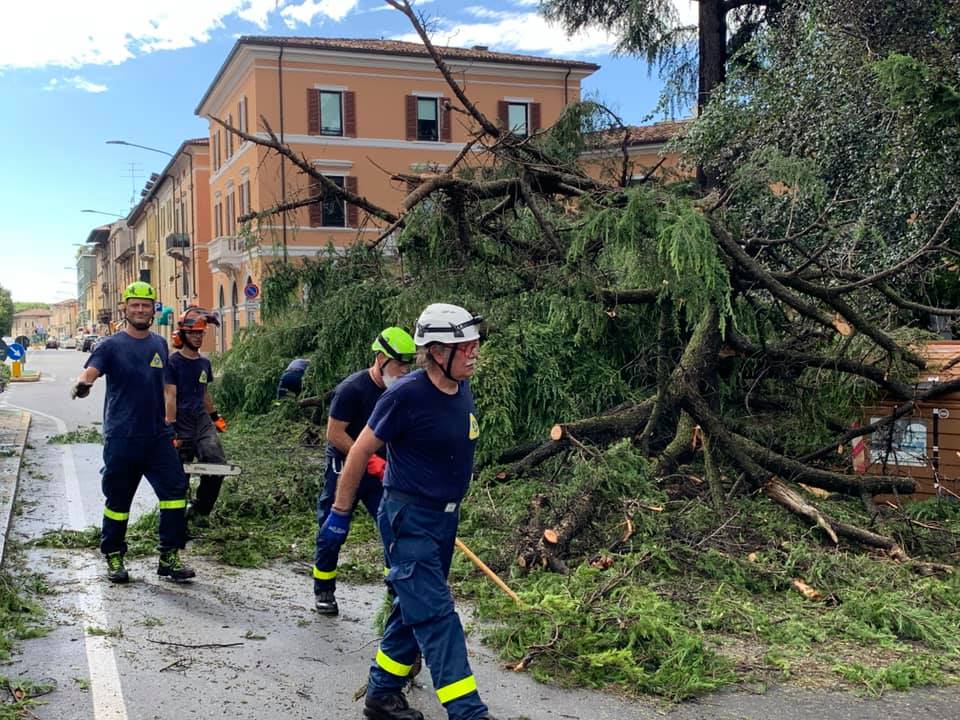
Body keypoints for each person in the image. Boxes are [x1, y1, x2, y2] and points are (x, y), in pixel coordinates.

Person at [324, 303, 497, 720]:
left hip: (442, 520)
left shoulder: (461, 386)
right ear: (438, 352)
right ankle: (468, 712)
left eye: (475, 344)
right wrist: (339, 512)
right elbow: (359, 451)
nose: (474, 352)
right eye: (465, 345)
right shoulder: (405, 394)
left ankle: (381, 695)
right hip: (409, 519)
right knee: (437, 615)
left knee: (411, 607)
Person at [71, 281, 195, 584]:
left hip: (157, 437)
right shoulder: (110, 345)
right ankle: (114, 557)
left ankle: (168, 557)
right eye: (134, 304)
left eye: (146, 304)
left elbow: (167, 387)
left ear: (154, 309)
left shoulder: (159, 344)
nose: (140, 310)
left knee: (175, 494)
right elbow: (91, 372)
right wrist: (82, 385)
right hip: (122, 437)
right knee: (118, 500)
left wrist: (172, 422)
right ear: (125, 308)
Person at [313, 326, 417, 616]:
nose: (404, 370)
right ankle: (324, 588)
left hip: (381, 474)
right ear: (381, 358)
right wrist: (367, 458)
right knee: (333, 529)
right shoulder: (352, 389)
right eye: (399, 364)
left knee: (391, 527)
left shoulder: (401, 392)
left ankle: (394, 589)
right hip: (344, 468)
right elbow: (334, 434)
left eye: (408, 364)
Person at [164, 307, 228, 529]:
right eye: (194, 333)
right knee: (178, 475)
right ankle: (176, 519)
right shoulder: (173, 363)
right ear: (182, 335)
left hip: (201, 420)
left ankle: (201, 510)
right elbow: (170, 395)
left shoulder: (204, 363)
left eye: (201, 333)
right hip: (180, 421)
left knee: (217, 465)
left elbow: (204, 394)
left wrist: (215, 416)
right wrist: (170, 428)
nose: (198, 337)